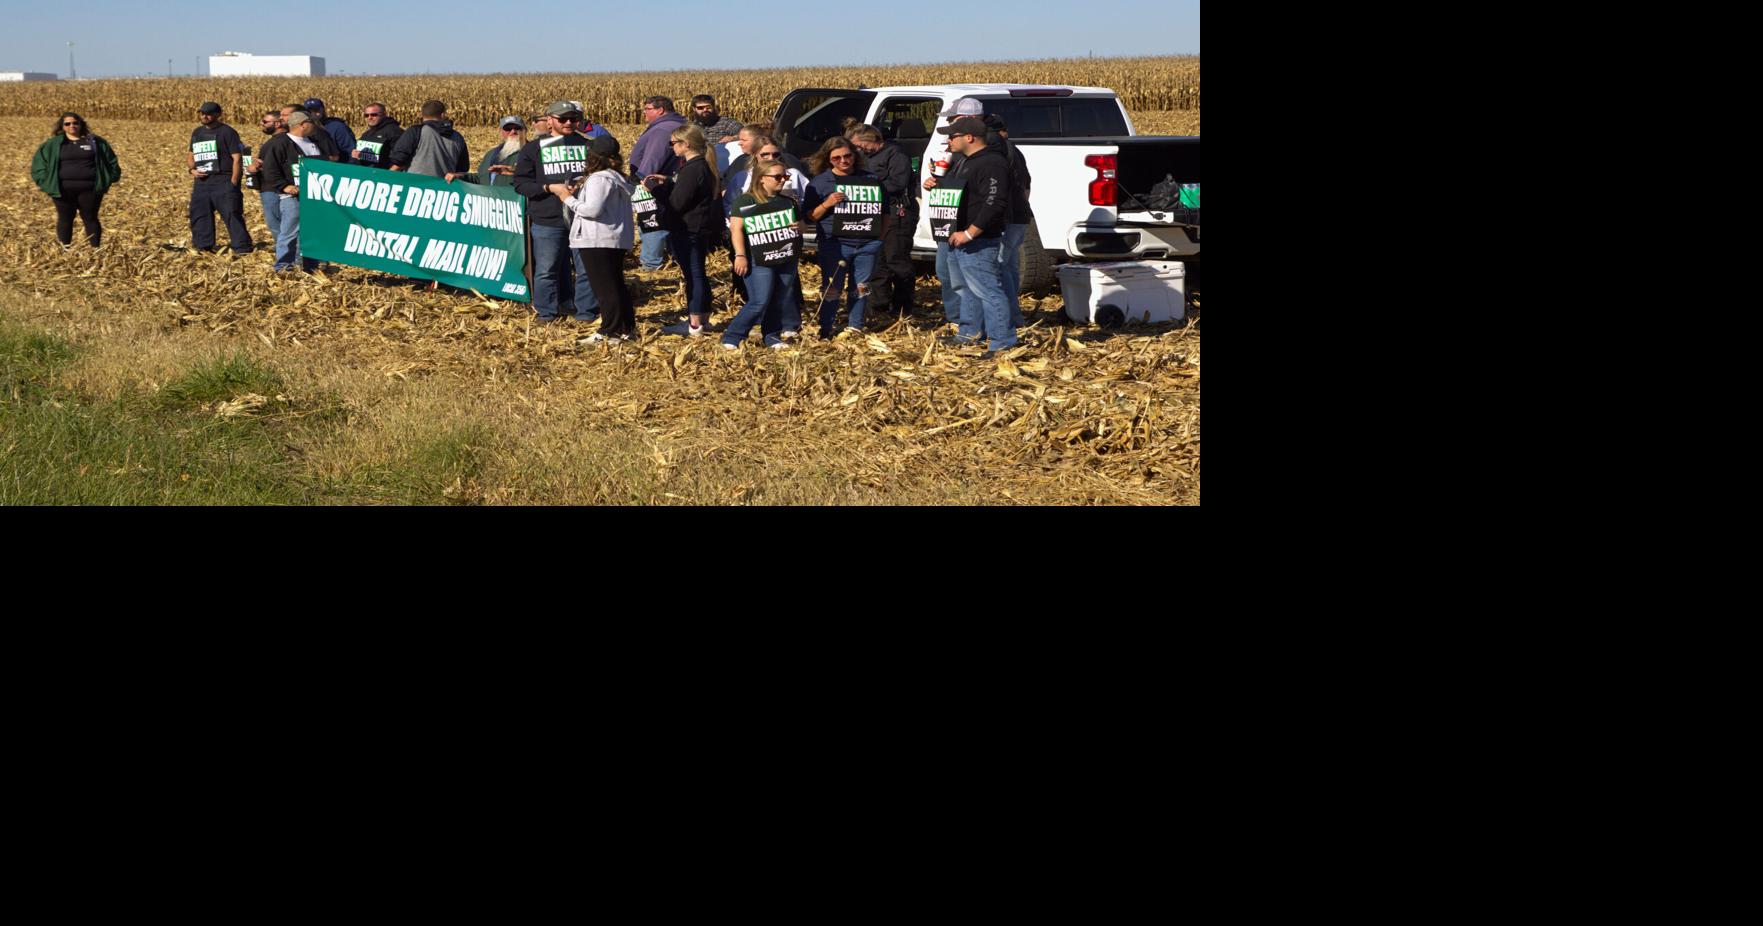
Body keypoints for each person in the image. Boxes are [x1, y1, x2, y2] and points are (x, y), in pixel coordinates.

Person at [512, 101, 600, 324]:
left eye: (574, 118)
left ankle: (585, 314)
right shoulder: (533, 149)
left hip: (584, 218)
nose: (569, 122)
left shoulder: (590, 147)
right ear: (549, 120)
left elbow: (603, 176)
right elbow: (521, 183)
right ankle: (546, 313)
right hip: (547, 220)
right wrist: (549, 187)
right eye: (563, 119)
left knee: (587, 270)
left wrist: (584, 183)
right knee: (546, 271)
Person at [938, 116, 1015, 355]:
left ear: (969, 138)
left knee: (988, 291)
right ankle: (969, 332)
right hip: (958, 238)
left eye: (953, 136)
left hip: (978, 241)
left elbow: (994, 203)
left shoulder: (991, 163)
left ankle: (1002, 342)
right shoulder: (965, 161)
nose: (949, 140)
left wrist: (970, 234)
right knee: (967, 289)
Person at [802, 136, 885, 338]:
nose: (843, 161)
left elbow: (886, 213)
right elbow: (809, 217)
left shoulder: (871, 180)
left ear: (855, 156)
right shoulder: (820, 183)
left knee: (862, 287)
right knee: (832, 287)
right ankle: (826, 328)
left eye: (847, 156)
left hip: (867, 244)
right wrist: (827, 203)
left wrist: (879, 238)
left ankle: (856, 326)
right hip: (834, 244)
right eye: (836, 158)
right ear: (828, 160)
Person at [558, 135, 637, 344]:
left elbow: (592, 210)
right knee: (616, 284)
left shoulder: (599, 178)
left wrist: (568, 198)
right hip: (612, 238)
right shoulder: (616, 177)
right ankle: (626, 328)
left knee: (605, 288)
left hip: (596, 239)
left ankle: (610, 331)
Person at [646, 124, 720, 337]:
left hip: (687, 229)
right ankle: (702, 319)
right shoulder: (699, 166)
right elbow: (687, 192)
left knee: (693, 275)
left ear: (685, 144)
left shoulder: (692, 168)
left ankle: (695, 323)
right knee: (698, 274)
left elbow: (677, 203)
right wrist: (669, 182)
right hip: (696, 228)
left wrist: (655, 190)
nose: (671, 148)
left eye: (673, 143)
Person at [724, 162, 802, 350]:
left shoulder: (788, 201)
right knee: (759, 300)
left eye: (785, 177)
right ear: (761, 178)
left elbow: (801, 225)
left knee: (779, 298)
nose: (783, 180)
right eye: (777, 177)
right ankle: (733, 336)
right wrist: (740, 255)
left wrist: (800, 227)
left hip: (786, 257)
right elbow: (736, 229)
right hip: (758, 259)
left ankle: (772, 336)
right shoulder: (746, 201)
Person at [849, 124, 917, 316]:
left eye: (859, 144)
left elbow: (897, 183)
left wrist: (868, 187)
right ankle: (878, 306)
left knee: (897, 261)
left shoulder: (896, 155)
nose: (857, 149)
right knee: (877, 263)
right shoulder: (865, 159)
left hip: (897, 212)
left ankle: (902, 308)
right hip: (874, 213)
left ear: (871, 139)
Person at [31, 111, 120, 249]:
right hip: (62, 189)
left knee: (90, 218)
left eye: (75, 123)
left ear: (80, 124)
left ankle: (95, 250)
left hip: (90, 189)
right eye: (67, 123)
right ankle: (65, 250)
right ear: (62, 126)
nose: (72, 126)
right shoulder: (53, 144)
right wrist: (45, 183)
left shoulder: (95, 142)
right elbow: (38, 165)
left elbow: (111, 161)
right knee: (65, 219)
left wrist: (109, 178)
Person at [258, 111, 324, 272]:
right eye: (312, 123)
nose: (315, 126)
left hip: (313, 197)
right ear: (302, 124)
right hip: (292, 197)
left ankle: (311, 265)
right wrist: (284, 186)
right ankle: (283, 266)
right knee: (289, 233)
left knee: (312, 233)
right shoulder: (281, 143)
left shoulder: (314, 142)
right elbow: (269, 169)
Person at [629, 95, 686, 270]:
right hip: (670, 182)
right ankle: (672, 257)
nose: (644, 113)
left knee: (652, 221)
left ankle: (651, 264)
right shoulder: (678, 125)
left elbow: (654, 157)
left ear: (660, 110)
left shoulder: (663, 130)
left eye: (647, 109)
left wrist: (642, 177)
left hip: (655, 183)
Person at [188, 101, 252, 255]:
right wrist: (192, 170)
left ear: (218, 115)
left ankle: (242, 247)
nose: (204, 116)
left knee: (231, 213)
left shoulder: (227, 132)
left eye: (208, 113)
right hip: (202, 182)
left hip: (223, 180)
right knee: (199, 213)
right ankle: (203, 246)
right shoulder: (197, 132)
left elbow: (237, 158)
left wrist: (233, 182)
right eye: (202, 113)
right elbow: (190, 155)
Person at [387, 100, 469, 179]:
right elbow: (463, 169)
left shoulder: (416, 131)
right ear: (443, 115)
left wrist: (385, 177)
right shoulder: (458, 137)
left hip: (415, 186)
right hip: (444, 189)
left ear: (421, 114)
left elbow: (399, 160)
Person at [245, 109, 285, 246]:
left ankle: (286, 256)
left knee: (277, 225)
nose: (261, 123)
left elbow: (272, 169)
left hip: (272, 190)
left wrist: (254, 168)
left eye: (265, 121)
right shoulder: (282, 141)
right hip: (277, 188)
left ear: (278, 123)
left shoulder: (274, 143)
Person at [462, 115, 525, 187]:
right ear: (501, 132)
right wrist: (460, 176)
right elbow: (480, 178)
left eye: (517, 128)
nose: (513, 131)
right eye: (508, 129)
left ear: (524, 131)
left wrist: (516, 172)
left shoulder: (533, 153)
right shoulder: (491, 154)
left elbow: (539, 179)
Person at [352, 102, 403, 169]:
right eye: (366, 115)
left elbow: (402, 157)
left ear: (384, 114)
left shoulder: (394, 131)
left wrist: (390, 173)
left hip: (385, 175)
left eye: (374, 115)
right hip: (368, 174)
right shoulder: (366, 134)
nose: (369, 117)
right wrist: (356, 155)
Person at [304, 98, 356, 163]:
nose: (313, 113)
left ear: (322, 110)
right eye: (309, 111)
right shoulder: (303, 128)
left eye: (316, 110)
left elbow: (350, 151)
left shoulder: (337, 127)